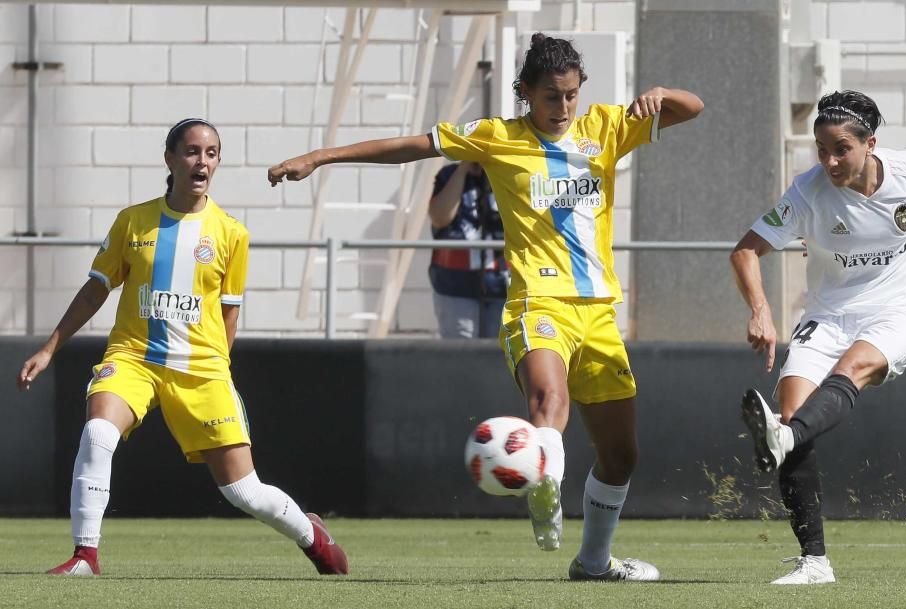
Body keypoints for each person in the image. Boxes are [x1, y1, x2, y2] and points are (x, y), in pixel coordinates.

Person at [269, 33, 703, 581]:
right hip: (536, 301)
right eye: (551, 96)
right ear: (525, 93)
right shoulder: (498, 137)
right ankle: (544, 482)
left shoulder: (608, 128)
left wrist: (661, 92)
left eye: (571, 95)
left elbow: (694, 109)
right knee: (549, 399)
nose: (563, 108)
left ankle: (593, 562)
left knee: (622, 456)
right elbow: (413, 146)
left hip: (598, 311)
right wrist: (320, 156)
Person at [16, 118, 348, 577]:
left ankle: (313, 537)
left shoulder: (232, 233)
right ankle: (85, 556)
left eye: (211, 153)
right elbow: (96, 289)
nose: (202, 161)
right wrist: (50, 347)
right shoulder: (134, 220)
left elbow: (229, 313)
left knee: (244, 492)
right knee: (98, 434)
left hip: (202, 370)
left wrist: (220, 373)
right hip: (134, 358)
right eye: (192, 151)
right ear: (170, 158)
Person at [731, 90, 906, 585]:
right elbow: (745, 251)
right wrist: (761, 311)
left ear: (870, 144)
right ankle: (815, 562)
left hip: (895, 309)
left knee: (850, 370)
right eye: (822, 149)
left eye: (841, 148)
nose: (830, 160)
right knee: (794, 412)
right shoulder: (806, 193)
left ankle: (782, 439)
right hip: (828, 313)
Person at [428, 160, 508, 338]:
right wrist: (463, 170)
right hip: (455, 284)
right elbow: (440, 218)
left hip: (504, 284)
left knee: (501, 355)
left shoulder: (510, 173)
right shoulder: (449, 175)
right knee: (460, 355)